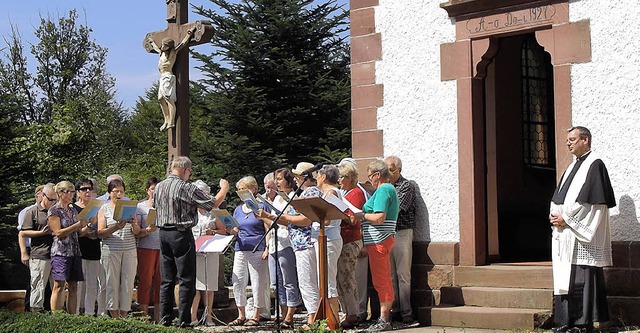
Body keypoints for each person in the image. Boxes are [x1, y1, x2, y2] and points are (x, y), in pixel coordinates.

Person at [549, 126, 615, 333]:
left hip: (580, 235)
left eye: (572, 139)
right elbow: (560, 196)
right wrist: (554, 215)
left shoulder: (595, 165)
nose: (568, 143)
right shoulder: (572, 167)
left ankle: (582, 324)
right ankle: (565, 322)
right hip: (565, 233)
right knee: (565, 278)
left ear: (585, 140)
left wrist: (566, 218)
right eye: (568, 139)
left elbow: (592, 203)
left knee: (581, 278)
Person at [153, 156, 216, 327]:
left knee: (166, 280)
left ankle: (164, 319)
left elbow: (154, 205)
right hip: (181, 233)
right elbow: (211, 203)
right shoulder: (185, 187)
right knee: (186, 279)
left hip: (163, 233)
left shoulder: (159, 186)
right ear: (186, 170)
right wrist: (224, 189)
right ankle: (184, 321)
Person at [271, 162, 321, 327]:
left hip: (305, 243)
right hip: (299, 244)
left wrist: (278, 218)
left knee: (307, 281)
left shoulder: (310, 192)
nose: (297, 179)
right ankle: (312, 316)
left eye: (299, 176)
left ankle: (313, 318)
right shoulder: (304, 193)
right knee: (305, 281)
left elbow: (305, 220)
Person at [354, 159, 399, 332]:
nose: (369, 179)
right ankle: (384, 318)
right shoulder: (387, 189)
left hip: (380, 240)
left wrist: (362, 215)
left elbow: (379, 217)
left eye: (370, 176)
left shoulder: (384, 189)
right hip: (379, 240)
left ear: (378, 175)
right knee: (381, 279)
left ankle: (384, 319)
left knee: (382, 280)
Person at [227, 176, 270, 327]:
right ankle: (241, 314)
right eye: (238, 190)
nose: (240, 193)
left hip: (257, 247)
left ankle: (257, 315)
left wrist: (267, 247)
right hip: (240, 247)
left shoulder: (262, 206)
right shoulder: (238, 209)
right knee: (237, 280)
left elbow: (268, 228)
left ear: (252, 189)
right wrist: (231, 229)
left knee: (258, 282)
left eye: (243, 189)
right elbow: (236, 229)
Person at [97, 178, 141, 318]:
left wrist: (134, 224)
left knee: (128, 283)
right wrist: (116, 226)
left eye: (121, 191)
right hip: (111, 250)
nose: (119, 194)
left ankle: (124, 314)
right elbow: (100, 232)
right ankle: (114, 315)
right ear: (109, 193)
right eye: (116, 191)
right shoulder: (104, 209)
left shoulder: (129, 207)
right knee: (112, 283)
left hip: (129, 249)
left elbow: (137, 231)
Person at [263, 168, 300, 328]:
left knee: (288, 280)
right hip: (274, 244)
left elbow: (291, 220)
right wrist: (263, 216)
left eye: (280, 179)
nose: (277, 182)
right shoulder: (277, 199)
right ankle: (283, 313)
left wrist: (271, 217)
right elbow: (271, 223)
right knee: (275, 282)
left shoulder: (293, 197)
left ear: (288, 180)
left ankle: (290, 315)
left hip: (286, 242)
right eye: (276, 179)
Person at [190, 179, 230, 326]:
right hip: (194, 251)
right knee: (195, 286)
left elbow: (223, 230)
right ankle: (192, 317)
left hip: (210, 250)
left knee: (209, 286)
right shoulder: (190, 212)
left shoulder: (213, 212)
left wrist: (211, 231)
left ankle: (209, 317)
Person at [48, 181, 91, 313]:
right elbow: (58, 232)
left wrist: (88, 225)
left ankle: (72, 317)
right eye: (69, 192)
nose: (71, 194)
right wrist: (76, 225)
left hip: (75, 252)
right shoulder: (54, 210)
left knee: (74, 286)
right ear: (60, 193)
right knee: (59, 285)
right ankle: (57, 317)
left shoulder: (72, 210)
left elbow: (79, 233)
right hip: (61, 252)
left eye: (73, 192)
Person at [384, 155, 417, 323]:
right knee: (390, 275)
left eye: (390, 170)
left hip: (402, 233)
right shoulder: (385, 188)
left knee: (403, 274)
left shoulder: (406, 186)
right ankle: (394, 311)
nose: (387, 173)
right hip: (387, 233)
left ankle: (407, 313)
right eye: (385, 170)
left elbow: (395, 208)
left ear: (399, 170)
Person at [146, 28, 195, 131]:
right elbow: (156, 48)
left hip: (168, 76)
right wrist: (152, 42)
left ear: (169, 46)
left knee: (169, 99)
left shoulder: (173, 53)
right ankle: (166, 119)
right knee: (160, 99)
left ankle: (171, 121)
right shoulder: (161, 53)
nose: (163, 46)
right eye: (163, 45)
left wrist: (188, 34)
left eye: (165, 45)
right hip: (162, 77)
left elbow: (182, 44)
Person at [336, 160, 365, 328]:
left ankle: (353, 313)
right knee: (340, 277)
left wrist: (340, 213)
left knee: (347, 277)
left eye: (342, 177)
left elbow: (355, 219)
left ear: (351, 177)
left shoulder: (356, 193)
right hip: (342, 239)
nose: (339, 180)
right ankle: (346, 312)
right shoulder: (344, 193)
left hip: (350, 240)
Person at [20, 183, 56, 312]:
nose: (53, 202)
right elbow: (23, 233)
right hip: (39, 253)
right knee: (38, 285)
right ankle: (36, 314)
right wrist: (41, 233)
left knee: (57, 286)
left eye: (55, 200)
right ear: (43, 196)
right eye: (50, 199)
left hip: (57, 254)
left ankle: (57, 313)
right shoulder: (32, 212)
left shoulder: (58, 211)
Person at [74, 179, 106, 316]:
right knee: (78, 285)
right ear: (78, 192)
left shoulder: (98, 207)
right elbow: (74, 231)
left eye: (90, 189)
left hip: (94, 248)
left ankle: (89, 313)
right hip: (78, 250)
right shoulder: (73, 208)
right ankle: (75, 312)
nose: (88, 192)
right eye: (84, 189)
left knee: (93, 284)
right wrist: (86, 227)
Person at [135, 177, 161, 322]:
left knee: (161, 282)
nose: (155, 192)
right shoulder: (140, 207)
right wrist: (148, 230)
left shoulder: (164, 206)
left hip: (162, 248)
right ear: (147, 191)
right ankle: (144, 317)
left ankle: (159, 318)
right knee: (145, 282)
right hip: (146, 247)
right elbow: (137, 231)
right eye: (152, 189)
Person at [18, 184, 44, 311]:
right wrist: (24, 252)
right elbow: (22, 234)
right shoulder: (28, 211)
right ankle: (28, 310)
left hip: (44, 249)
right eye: (43, 194)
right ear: (37, 195)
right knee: (32, 281)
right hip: (31, 248)